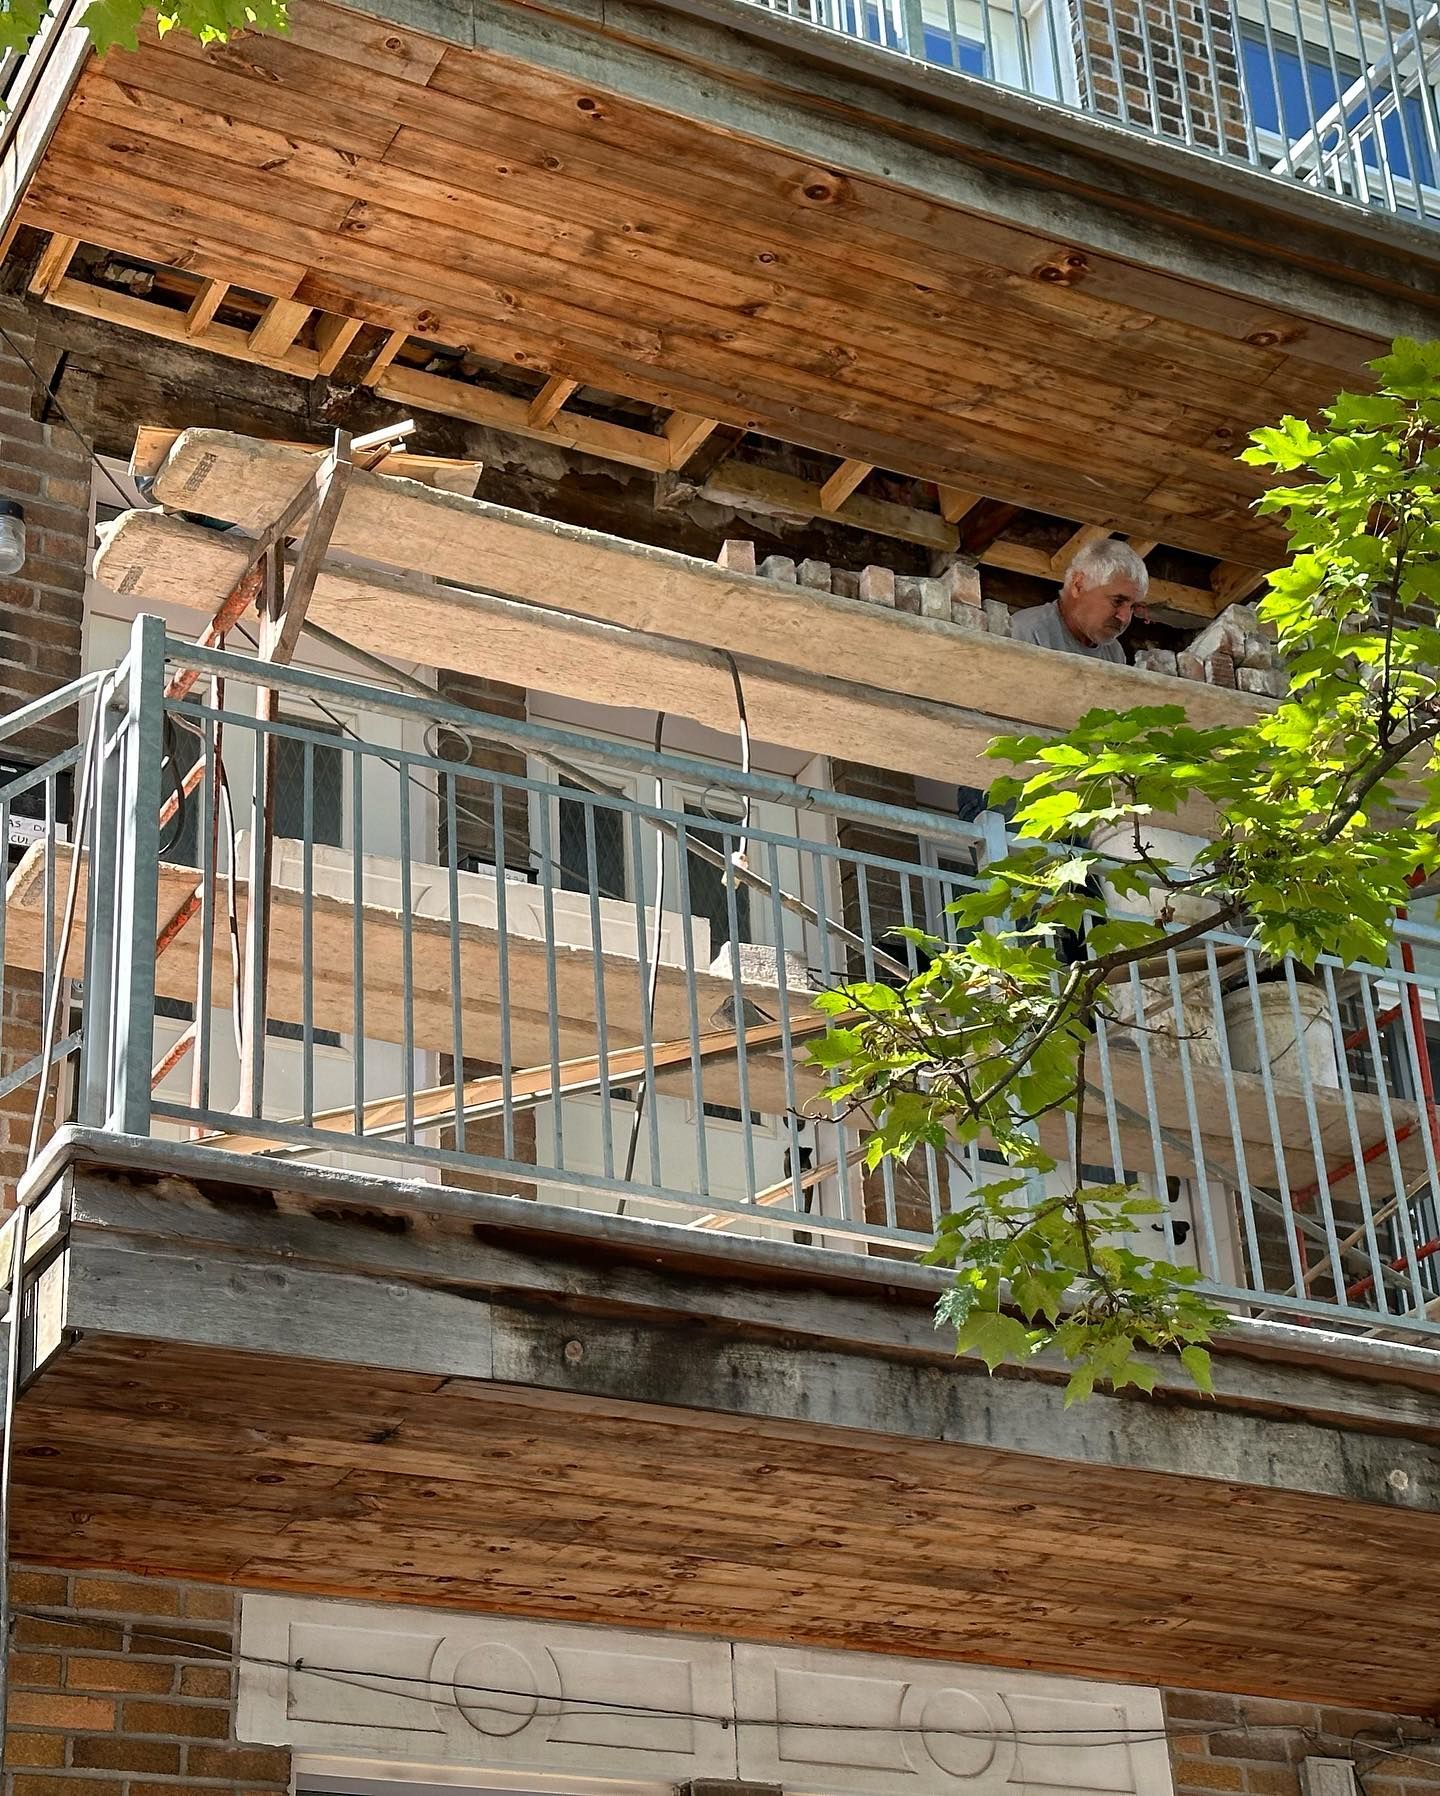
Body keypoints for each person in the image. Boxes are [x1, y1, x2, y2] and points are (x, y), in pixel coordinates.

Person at [1010, 536, 1148, 663]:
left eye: (1132, 607)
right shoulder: (1026, 632)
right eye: (1117, 601)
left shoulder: (1114, 653)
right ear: (1078, 586)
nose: (1125, 618)